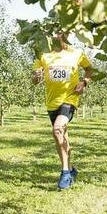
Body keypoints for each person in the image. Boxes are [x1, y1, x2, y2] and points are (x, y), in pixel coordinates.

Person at [32, 33, 92, 190]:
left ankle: (65, 173)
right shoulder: (43, 54)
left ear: (66, 35)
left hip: (70, 99)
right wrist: (36, 76)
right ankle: (71, 169)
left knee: (58, 129)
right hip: (52, 102)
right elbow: (35, 79)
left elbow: (89, 69)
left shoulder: (76, 53)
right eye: (53, 33)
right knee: (62, 136)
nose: (57, 36)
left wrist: (83, 82)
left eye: (61, 33)